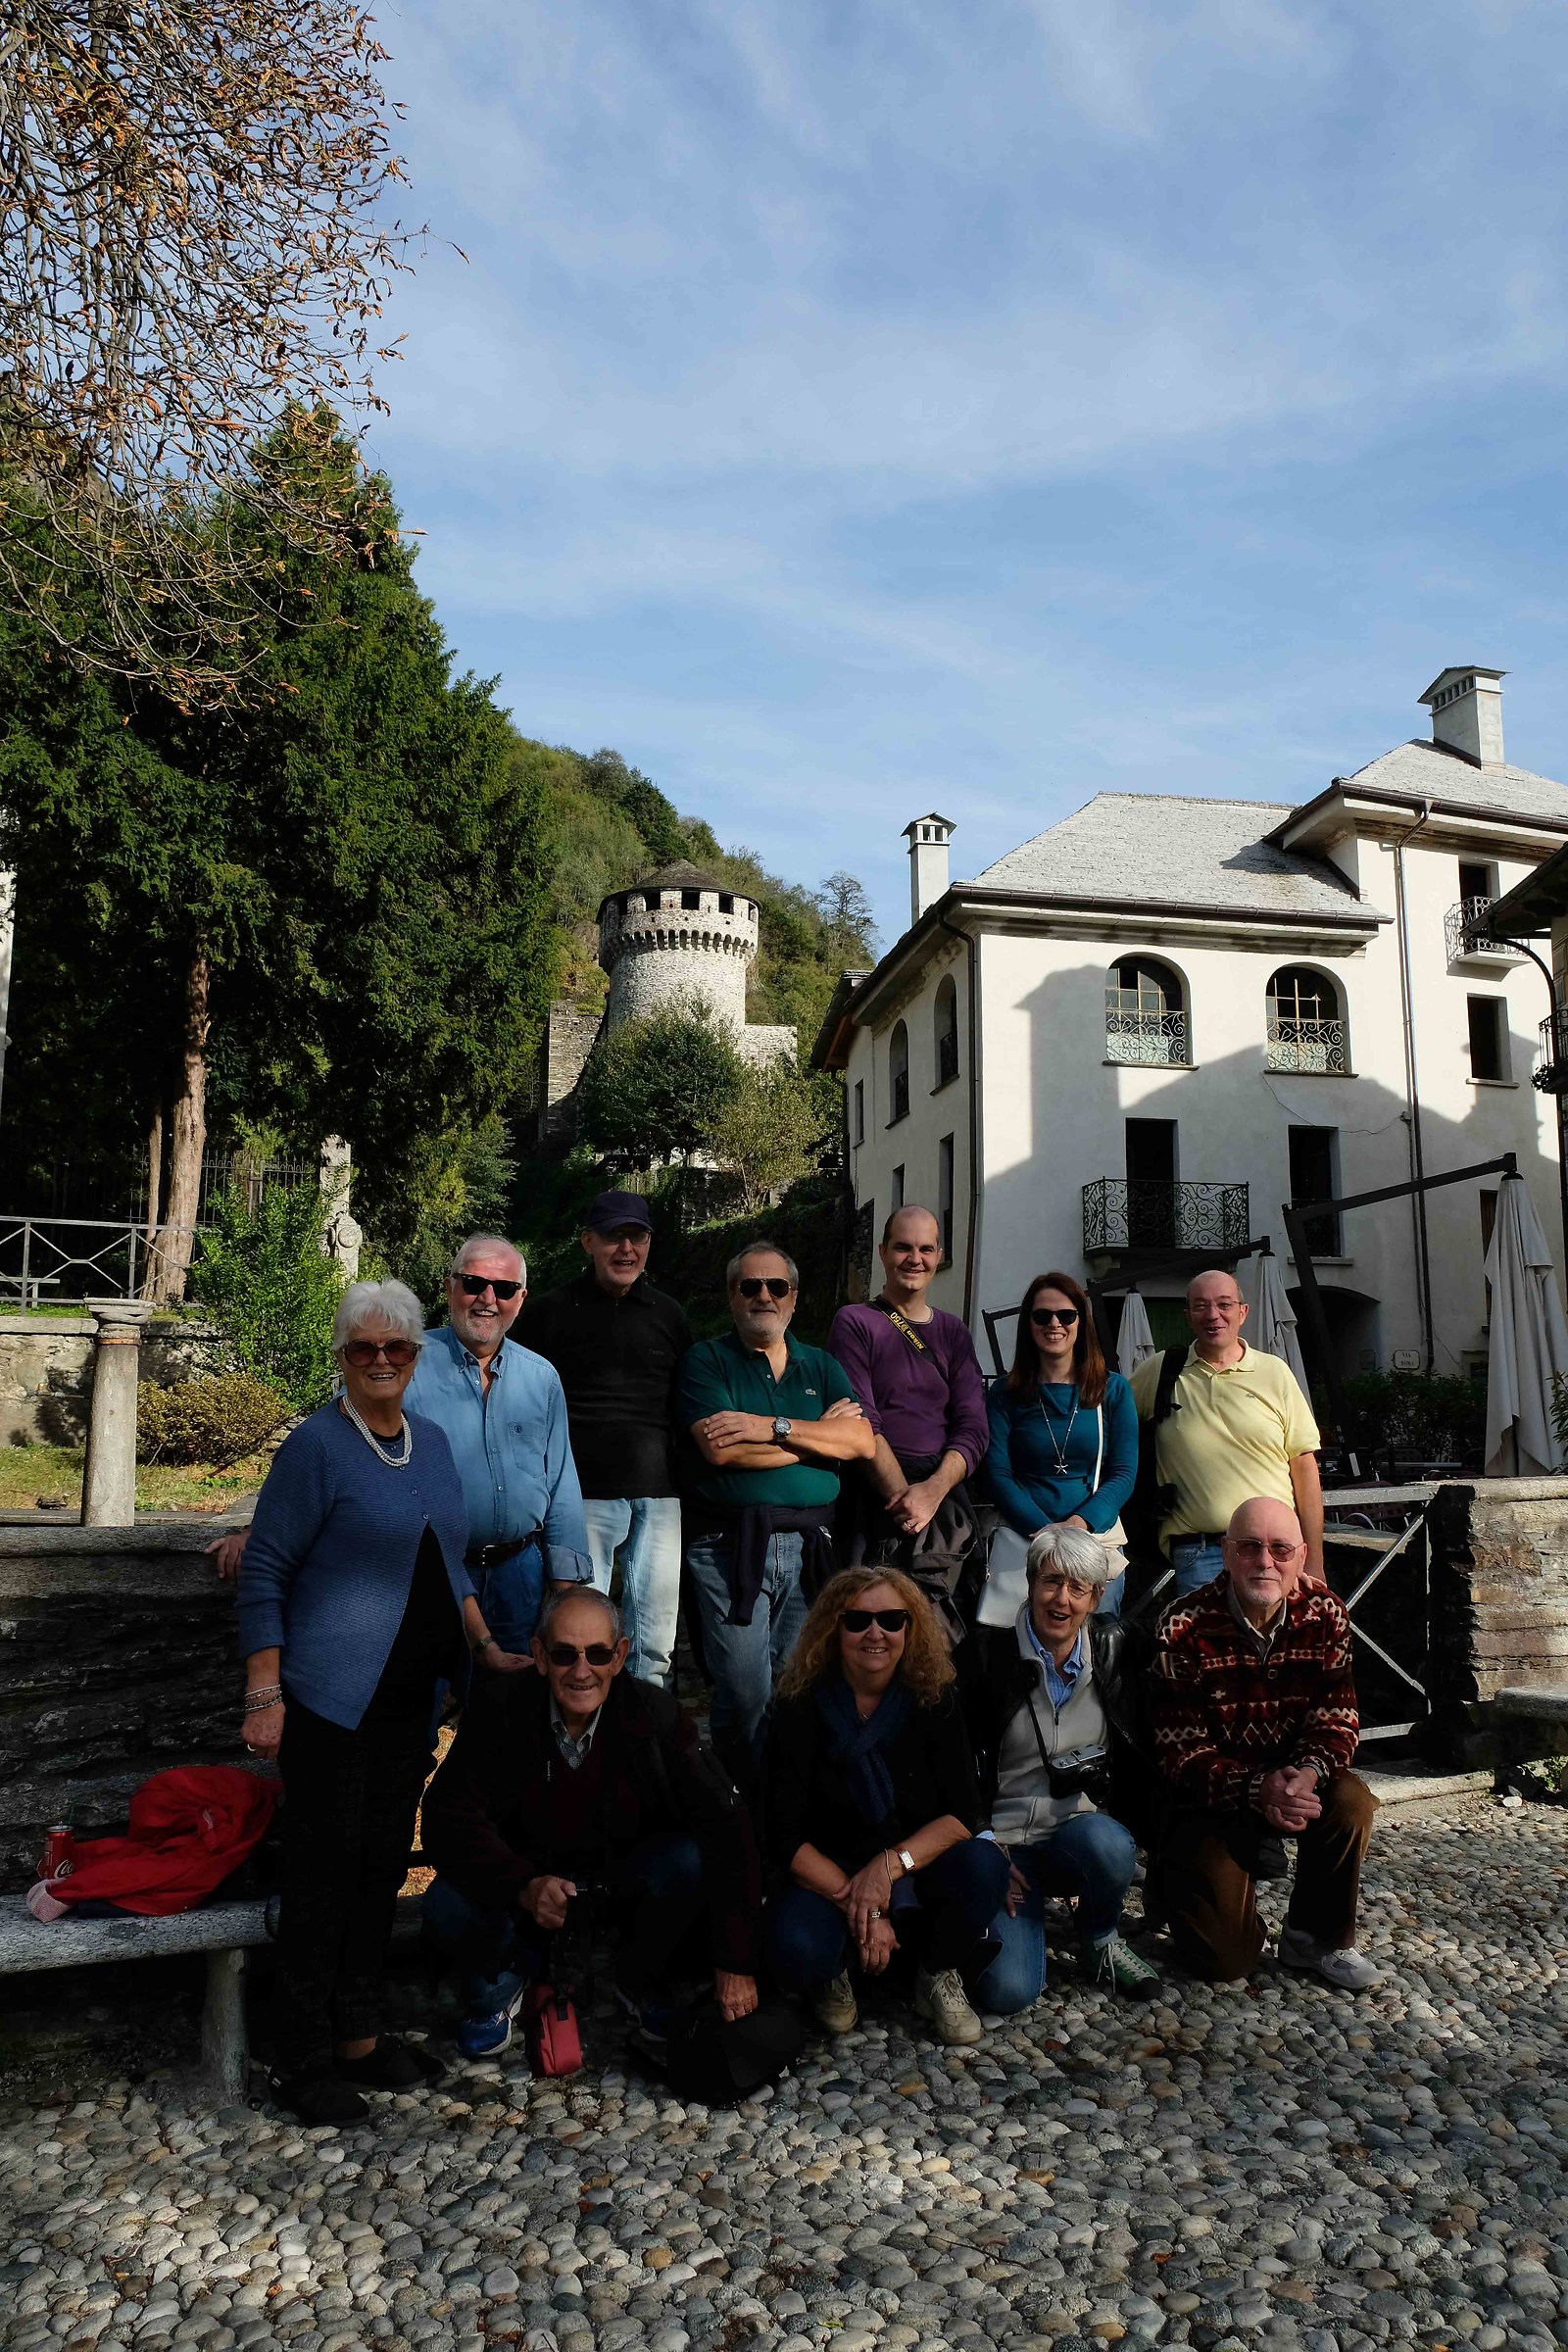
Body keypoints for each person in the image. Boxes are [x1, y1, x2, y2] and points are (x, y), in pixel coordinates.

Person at [235, 1278, 530, 2126]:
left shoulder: (431, 1444)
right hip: (331, 1700)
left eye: (395, 1348)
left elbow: (447, 1561)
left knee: (379, 1873)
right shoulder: (316, 1447)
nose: (379, 1361)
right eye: (362, 1348)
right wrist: (264, 1690)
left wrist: (480, 1647)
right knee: (323, 1879)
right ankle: (298, 2056)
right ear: (342, 1357)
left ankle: (359, 2039)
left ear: (413, 1357)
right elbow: (265, 1568)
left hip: (409, 1699)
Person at [420, 1586, 761, 2056]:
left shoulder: (656, 1714)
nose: (582, 1671)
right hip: (528, 1890)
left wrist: (734, 1961)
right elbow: (447, 1816)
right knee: (446, 1903)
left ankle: (640, 1977)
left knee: (688, 1859)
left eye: (597, 1654)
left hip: (620, 1882)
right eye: (564, 1654)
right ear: (539, 1655)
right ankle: (507, 1975)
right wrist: (522, 1884)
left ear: (619, 1657)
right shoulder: (499, 1707)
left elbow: (727, 1823)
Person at [215, 1232, 594, 1652]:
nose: (487, 1298)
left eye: (503, 1289)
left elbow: (560, 1483)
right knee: (425, 1698)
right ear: (449, 1287)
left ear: (521, 1298)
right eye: (473, 1283)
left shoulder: (541, 1378)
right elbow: (337, 1438)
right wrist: (261, 1528)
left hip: (520, 1574)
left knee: (509, 1703)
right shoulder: (402, 1359)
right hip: (427, 1570)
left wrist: (565, 1588)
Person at [761, 1567, 1008, 2046]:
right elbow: (780, 1833)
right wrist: (866, 1907)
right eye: (858, 1620)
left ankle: (933, 1972)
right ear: (834, 1627)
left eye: (892, 1620)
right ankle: (836, 1970)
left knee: (984, 1865)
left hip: (912, 1867)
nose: (876, 1632)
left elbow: (963, 1815)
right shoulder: (799, 1706)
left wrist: (891, 1866)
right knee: (795, 1948)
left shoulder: (936, 1699)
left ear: (908, 1629)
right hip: (827, 1877)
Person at [1150, 1495, 1379, 1989]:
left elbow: (1337, 1719)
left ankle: (1313, 1938)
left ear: (1300, 1555)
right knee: (1226, 1963)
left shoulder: (1326, 1613)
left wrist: (1307, 1776)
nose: (1265, 1562)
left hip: (1296, 1777)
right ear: (1226, 1553)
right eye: (1250, 1547)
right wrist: (1257, 1788)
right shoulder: (1183, 1624)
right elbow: (1179, 1750)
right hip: (1210, 1797)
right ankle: (1190, 1892)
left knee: (1351, 1800)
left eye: (1279, 1549)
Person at [678, 1242, 875, 1762]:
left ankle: (776, 1807)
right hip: (730, 1547)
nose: (764, 1295)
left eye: (776, 1287)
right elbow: (721, 1451)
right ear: (731, 1296)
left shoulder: (822, 1365)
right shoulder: (707, 1360)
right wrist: (818, 1442)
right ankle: (738, 1796)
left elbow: (862, 1443)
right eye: (750, 1286)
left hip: (812, 1550)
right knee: (744, 1690)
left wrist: (770, 1428)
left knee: (796, 1686)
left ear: (792, 1298)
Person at [965, 1524, 1160, 2010]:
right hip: (1004, 1844)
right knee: (1008, 1992)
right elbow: (954, 1766)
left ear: (1096, 1598)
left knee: (1110, 1843)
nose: (1062, 1600)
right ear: (1030, 1583)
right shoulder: (983, 1656)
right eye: (1051, 1582)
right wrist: (985, 1849)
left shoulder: (1116, 1649)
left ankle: (1099, 1936)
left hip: (1076, 1833)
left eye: (1078, 1589)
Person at [521, 1191, 692, 1688]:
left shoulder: (669, 1315)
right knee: (582, 1638)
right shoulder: (551, 1312)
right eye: (614, 1237)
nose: (626, 1248)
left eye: (636, 1236)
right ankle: (583, 1733)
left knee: (655, 1639)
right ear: (588, 1242)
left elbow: (683, 1403)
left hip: (660, 1496)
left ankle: (641, 1737)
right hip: (582, 1495)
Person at [827, 1206, 989, 1634]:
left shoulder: (954, 1332)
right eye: (903, 1247)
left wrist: (931, 1494)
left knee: (940, 1641)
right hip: (874, 1498)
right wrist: (905, 1500)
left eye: (925, 1248)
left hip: (941, 1500)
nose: (914, 1258)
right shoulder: (855, 1322)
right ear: (882, 1252)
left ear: (938, 1255)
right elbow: (863, 1421)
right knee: (869, 1631)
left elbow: (973, 1426)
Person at [1131, 1268, 1323, 1597]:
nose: (1213, 1315)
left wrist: (1314, 1559)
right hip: (1200, 1552)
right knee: (1209, 1650)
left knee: (1279, 1648)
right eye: (1201, 1306)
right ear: (1188, 1316)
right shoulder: (1160, 1371)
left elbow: (1304, 1467)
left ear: (1242, 1312)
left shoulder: (1274, 1372)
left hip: (1276, 1553)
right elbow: (1108, 1429)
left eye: (1224, 1304)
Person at [981, 1271, 1137, 1624]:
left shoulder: (1112, 1390)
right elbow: (998, 1472)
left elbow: (1124, 1473)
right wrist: (1045, 1531)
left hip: (1094, 1540)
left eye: (1066, 1315)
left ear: (1081, 1322)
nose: (1055, 1323)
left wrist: (1080, 1524)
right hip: (1025, 1540)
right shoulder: (1005, 1394)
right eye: (1042, 1316)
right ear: (1028, 1324)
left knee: (1094, 1648)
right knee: (1018, 1644)